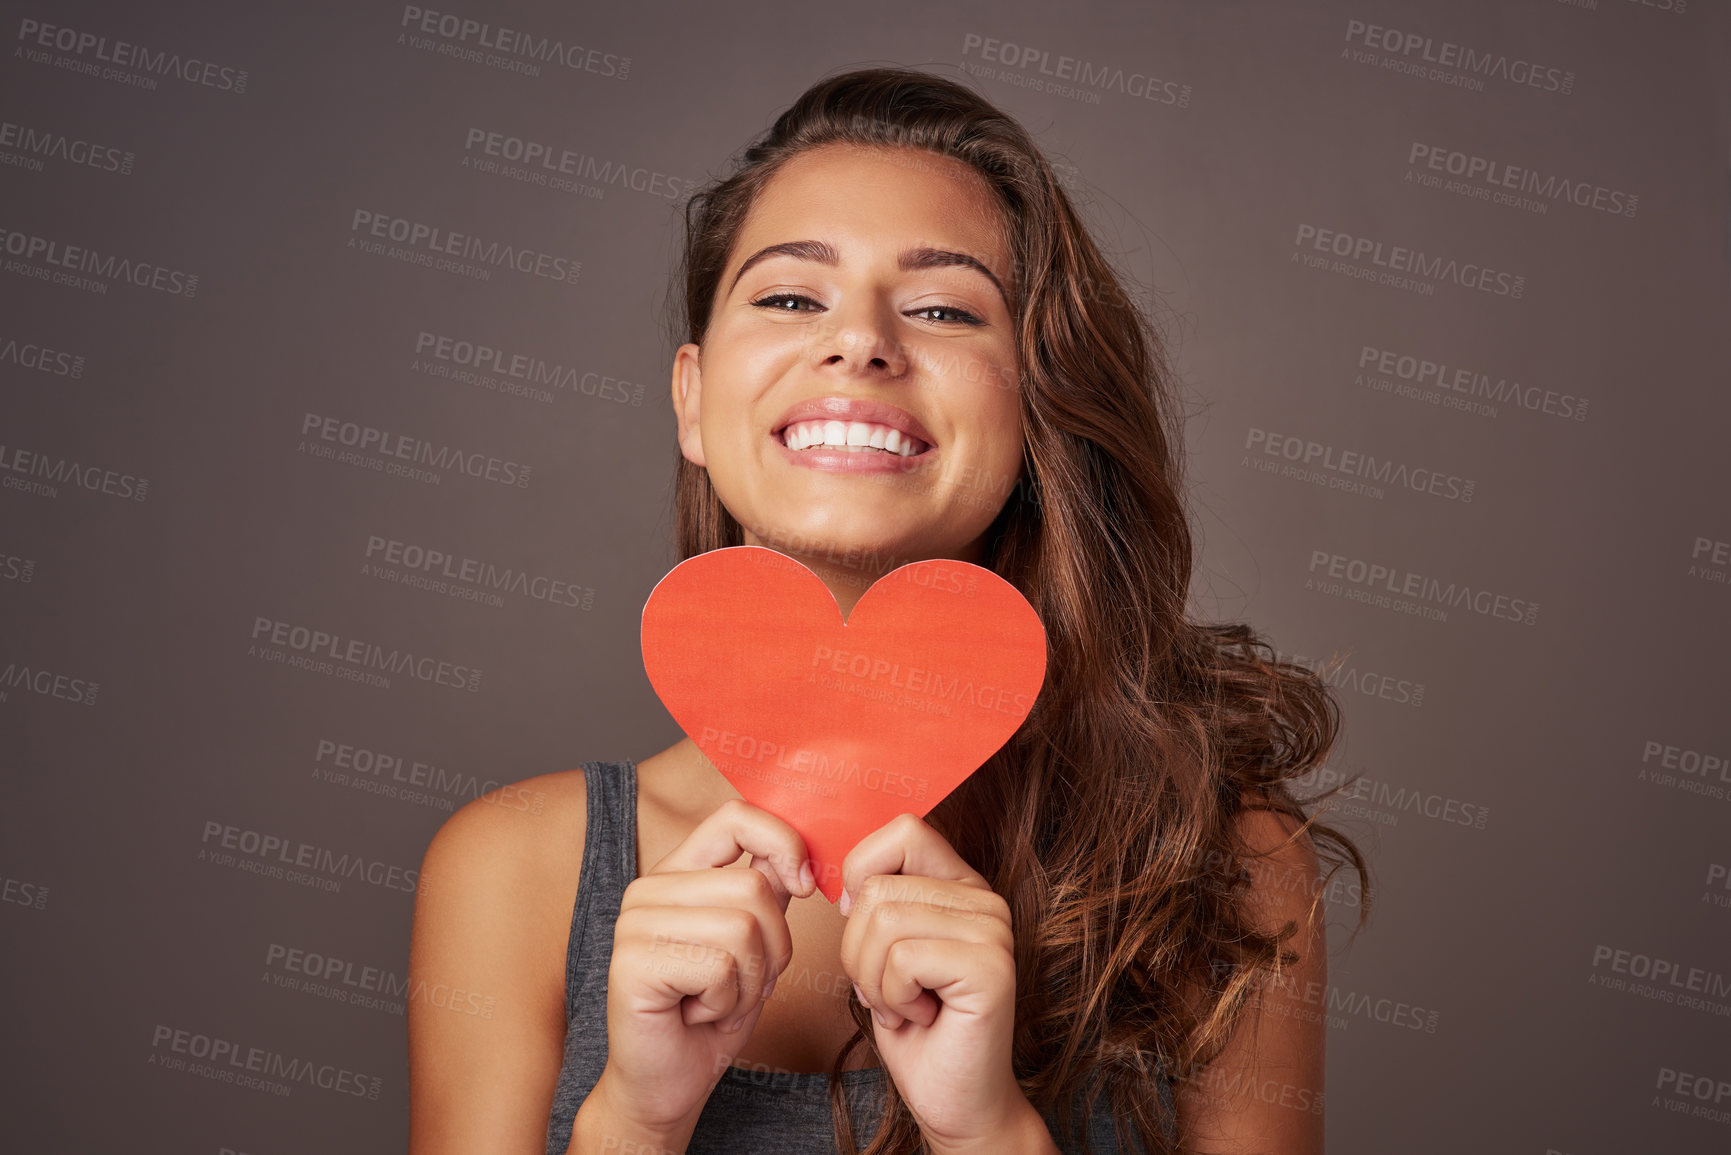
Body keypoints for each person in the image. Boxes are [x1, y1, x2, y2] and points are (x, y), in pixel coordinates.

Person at [407, 66, 1371, 1155]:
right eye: (787, 296)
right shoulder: (512, 870)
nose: (861, 340)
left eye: (943, 309)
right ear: (692, 396)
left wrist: (987, 1129)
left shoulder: (1217, 862)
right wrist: (638, 1116)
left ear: (1035, 406)